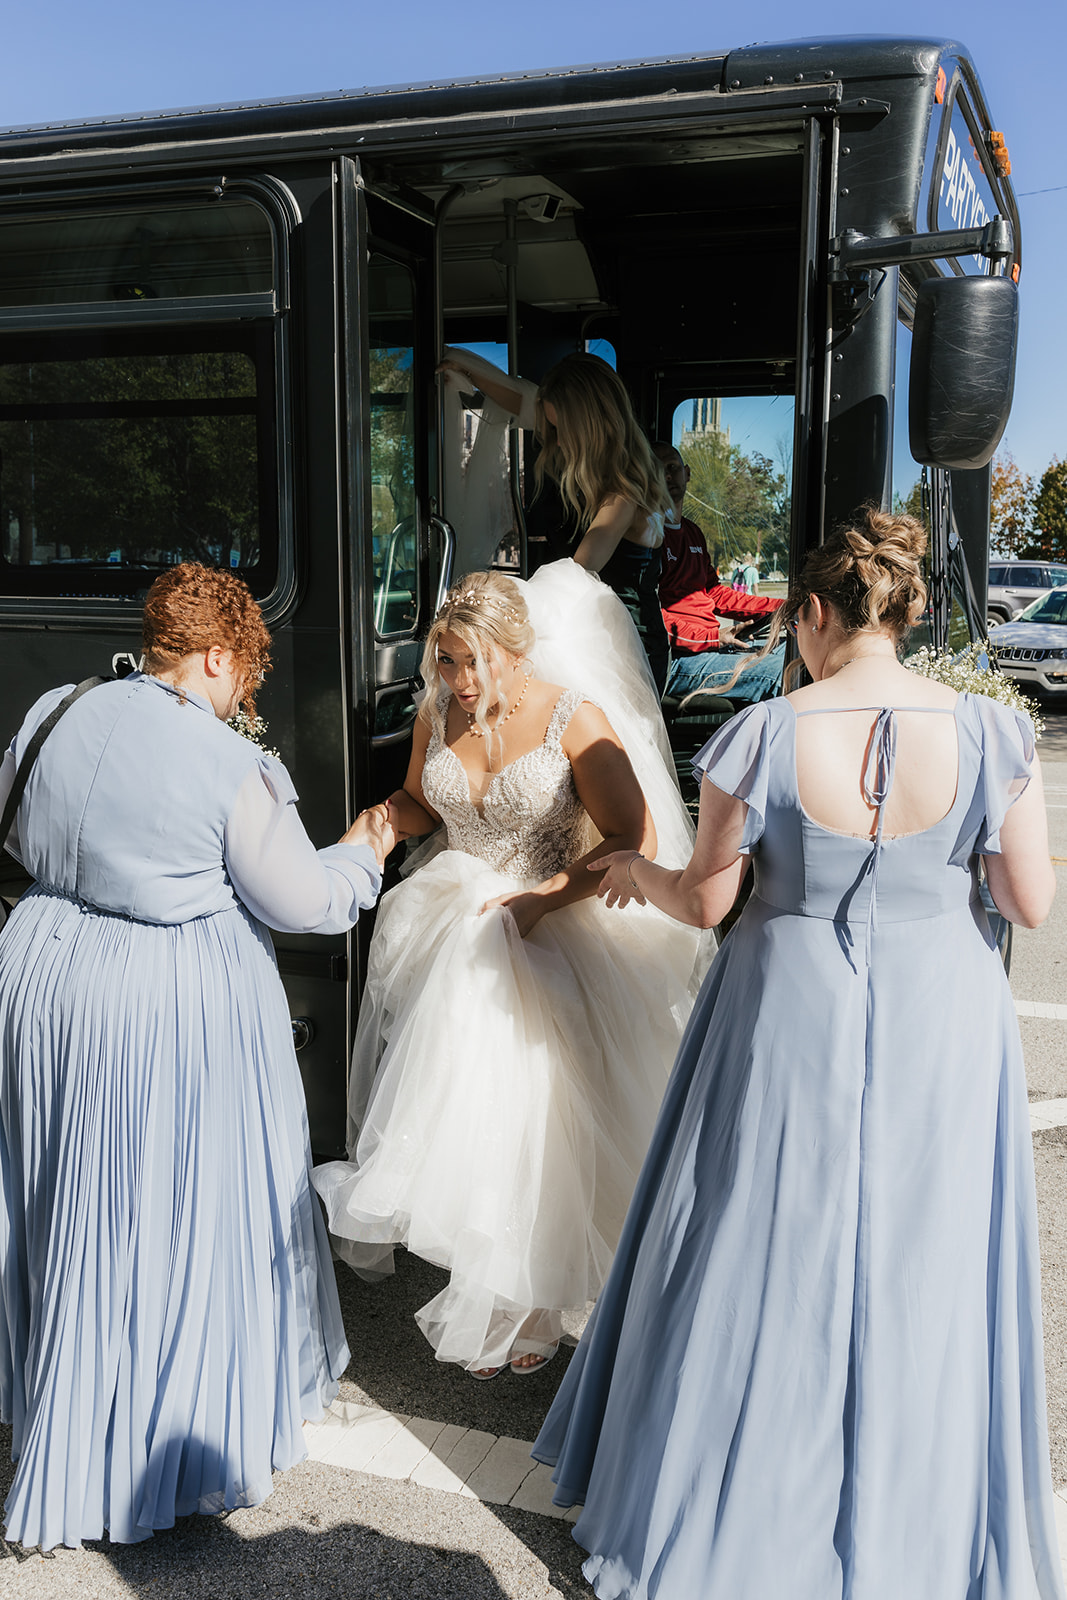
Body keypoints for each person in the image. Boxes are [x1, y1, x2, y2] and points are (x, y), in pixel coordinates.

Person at [533, 510, 1063, 1599]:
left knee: (763, 1242)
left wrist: (637, 873)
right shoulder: (991, 733)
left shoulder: (760, 734)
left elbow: (710, 901)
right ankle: (919, 1508)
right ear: (905, 614)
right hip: (943, 1014)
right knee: (927, 1252)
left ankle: (745, 1495)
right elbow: (1027, 901)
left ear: (812, 614)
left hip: (784, 1001)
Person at [0, 563, 393, 1551]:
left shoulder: (58, 707)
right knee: (168, 1219)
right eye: (241, 679)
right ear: (217, 655)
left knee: (70, 1205)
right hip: (159, 999)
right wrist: (362, 852)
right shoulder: (232, 765)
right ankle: (148, 1456)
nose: (241, 700)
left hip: (43, 969)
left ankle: (68, 1402)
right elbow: (301, 901)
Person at [313, 562, 708, 1377]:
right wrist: (387, 817)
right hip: (457, 929)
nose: (457, 681)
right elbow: (428, 799)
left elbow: (632, 839)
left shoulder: (572, 716)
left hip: (557, 928)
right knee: (472, 1122)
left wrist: (541, 900)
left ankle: (537, 1299)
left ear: (515, 652)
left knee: (547, 1126)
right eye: (445, 661)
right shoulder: (437, 709)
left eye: (471, 661)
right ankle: (491, 1287)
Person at [439, 351, 673, 692]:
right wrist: (465, 371)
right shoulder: (595, 469)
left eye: (563, 428)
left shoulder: (625, 492)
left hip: (625, 650)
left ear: (591, 424)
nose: (558, 440)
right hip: (582, 634)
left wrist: (497, 602)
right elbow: (519, 400)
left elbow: (578, 572)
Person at [653, 441, 784, 704]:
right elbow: (651, 619)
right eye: (657, 469)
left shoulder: (692, 532)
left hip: (712, 647)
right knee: (783, 675)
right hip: (676, 661)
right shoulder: (649, 536)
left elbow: (714, 594)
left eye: (673, 467)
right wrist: (714, 637)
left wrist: (780, 607)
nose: (668, 475)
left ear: (686, 473)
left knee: (793, 656)